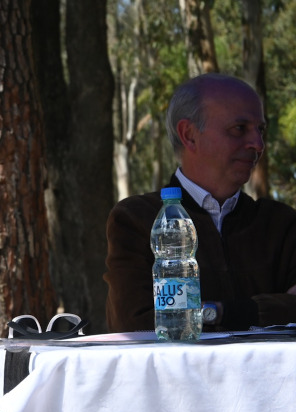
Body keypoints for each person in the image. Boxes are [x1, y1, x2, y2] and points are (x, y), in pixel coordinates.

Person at [105, 73, 296, 332]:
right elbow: (134, 324)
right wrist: (262, 310)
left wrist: (214, 312)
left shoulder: (280, 224)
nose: (257, 144)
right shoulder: (137, 220)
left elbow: (168, 321)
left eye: (260, 130)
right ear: (189, 135)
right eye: (239, 129)